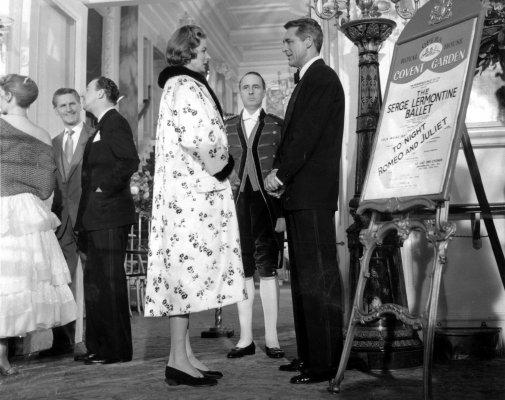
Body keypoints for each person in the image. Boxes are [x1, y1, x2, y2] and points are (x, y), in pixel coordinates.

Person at [145, 25, 245, 387]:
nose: (207, 56)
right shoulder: (185, 85)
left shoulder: (180, 85)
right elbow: (199, 136)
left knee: (183, 275)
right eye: (202, 51)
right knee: (184, 277)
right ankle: (176, 360)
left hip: (186, 192)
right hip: (191, 197)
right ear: (187, 53)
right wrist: (227, 168)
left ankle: (184, 355)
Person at [264, 17, 345, 384]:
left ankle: (324, 363)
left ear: (309, 42)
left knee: (317, 279)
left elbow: (306, 137)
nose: (285, 48)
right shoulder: (308, 80)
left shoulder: (322, 79)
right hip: (302, 196)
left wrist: (279, 174)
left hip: (312, 195)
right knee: (302, 280)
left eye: (289, 42)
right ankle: (310, 356)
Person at [0, 74, 77, 375]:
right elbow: (46, 187)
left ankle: (4, 355)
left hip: (3, 208)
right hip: (28, 211)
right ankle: (4, 355)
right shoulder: (43, 135)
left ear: (8, 96)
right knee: (17, 284)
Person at [76, 77, 139, 365]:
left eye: (88, 90)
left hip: (110, 214)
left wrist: (104, 189)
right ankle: (99, 347)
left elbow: (129, 161)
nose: (83, 94)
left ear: (101, 94)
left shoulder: (115, 122)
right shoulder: (102, 125)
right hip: (96, 217)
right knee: (97, 283)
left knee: (110, 282)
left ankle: (115, 350)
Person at [225, 72, 285, 359]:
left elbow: (284, 165)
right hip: (236, 205)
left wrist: (282, 212)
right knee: (243, 269)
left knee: (268, 269)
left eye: (256, 87)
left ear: (263, 92)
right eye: (246, 87)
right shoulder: (226, 126)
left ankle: (272, 338)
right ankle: (245, 338)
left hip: (268, 204)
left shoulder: (276, 125)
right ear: (240, 91)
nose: (251, 91)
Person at [38, 88, 92, 360]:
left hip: (89, 216)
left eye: (72, 103)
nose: (69, 109)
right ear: (56, 109)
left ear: (80, 104)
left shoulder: (95, 136)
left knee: (91, 280)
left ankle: (89, 340)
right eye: (62, 105)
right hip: (62, 220)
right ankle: (63, 341)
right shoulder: (54, 143)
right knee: (61, 280)